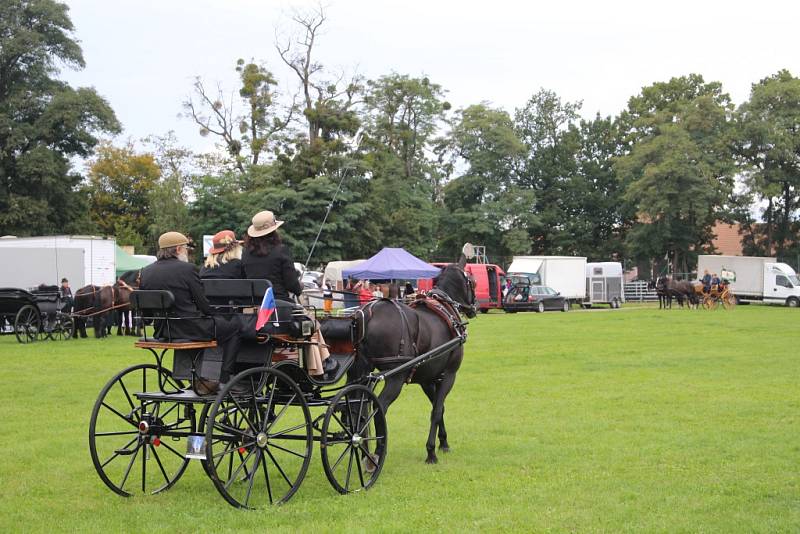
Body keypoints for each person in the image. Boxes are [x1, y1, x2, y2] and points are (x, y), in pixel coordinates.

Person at [139, 231, 241, 395]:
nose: (187, 252)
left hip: (163, 331)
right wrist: (217, 315)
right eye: (186, 248)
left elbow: (146, 311)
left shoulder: (147, 271)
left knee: (219, 324)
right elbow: (203, 305)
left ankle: (197, 375)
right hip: (191, 328)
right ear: (178, 249)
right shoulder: (187, 269)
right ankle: (224, 377)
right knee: (234, 327)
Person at [242, 210, 334, 378]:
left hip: (253, 311)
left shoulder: (246, 254)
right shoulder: (281, 250)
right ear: (273, 231)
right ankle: (322, 362)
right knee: (311, 322)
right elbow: (292, 284)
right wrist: (298, 287)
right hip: (278, 310)